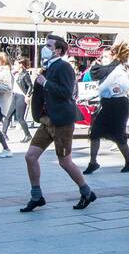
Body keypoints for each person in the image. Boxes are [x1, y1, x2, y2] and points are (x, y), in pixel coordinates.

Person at [20, 35, 95, 212]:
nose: (44, 48)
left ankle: (86, 191)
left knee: (65, 162)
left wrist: (45, 83)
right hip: (46, 120)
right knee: (30, 156)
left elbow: (67, 92)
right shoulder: (47, 67)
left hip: (62, 121)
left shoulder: (64, 67)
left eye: (48, 45)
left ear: (58, 50)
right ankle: (36, 196)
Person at [85, 42, 129, 175]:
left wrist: (112, 90)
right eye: (102, 56)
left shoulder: (119, 69)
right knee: (94, 133)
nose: (103, 59)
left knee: (119, 136)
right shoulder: (104, 71)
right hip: (106, 104)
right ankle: (93, 162)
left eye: (106, 56)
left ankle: (128, 161)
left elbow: (124, 86)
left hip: (118, 104)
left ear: (113, 57)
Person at [4, 57, 34, 143]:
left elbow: (31, 86)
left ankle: (28, 135)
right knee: (8, 115)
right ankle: (3, 134)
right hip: (15, 95)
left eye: (16, 64)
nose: (14, 66)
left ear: (21, 65)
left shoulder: (25, 74)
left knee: (20, 118)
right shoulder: (16, 73)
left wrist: (27, 96)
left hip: (21, 96)